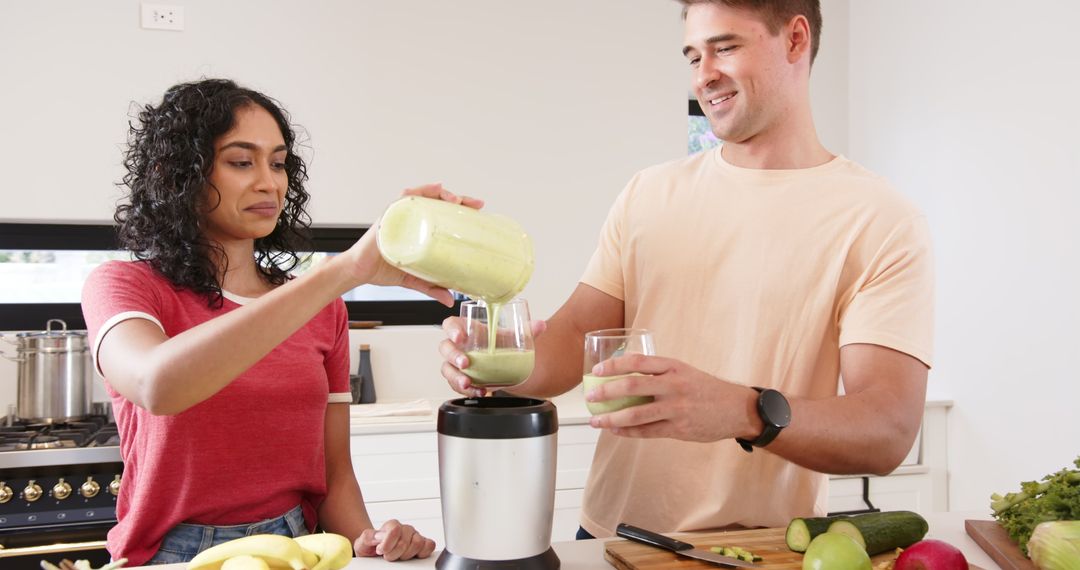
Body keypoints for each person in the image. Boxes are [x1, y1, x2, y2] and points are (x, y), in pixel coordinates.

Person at [439, 0, 934, 539]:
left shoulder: (880, 220)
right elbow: (575, 338)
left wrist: (742, 411)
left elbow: (886, 429)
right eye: (693, 55)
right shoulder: (648, 194)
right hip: (611, 538)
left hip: (759, 548)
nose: (704, 75)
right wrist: (488, 359)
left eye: (725, 47)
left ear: (795, 40)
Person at [81, 78, 478, 565]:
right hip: (171, 555)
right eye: (241, 161)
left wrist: (367, 539)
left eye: (278, 162)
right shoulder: (125, 286)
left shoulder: (322, 308)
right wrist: (343, 270)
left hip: (298, 547)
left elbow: (334, 475)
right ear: (176, 173)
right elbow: (157, 383)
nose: (269, 182)